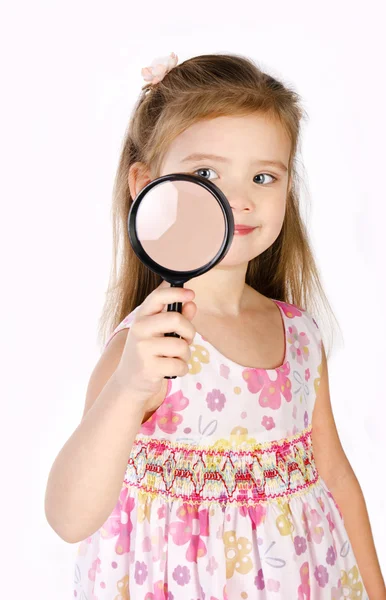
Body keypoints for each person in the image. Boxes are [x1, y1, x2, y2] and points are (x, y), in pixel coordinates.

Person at [44, 53, 385, 599]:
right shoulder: (147, 345)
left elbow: (336, 475)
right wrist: (130, 387)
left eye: (264, 175)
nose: (240, 198)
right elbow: (69, 517)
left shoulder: (300, 334)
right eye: (206, 174)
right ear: (146, 183)